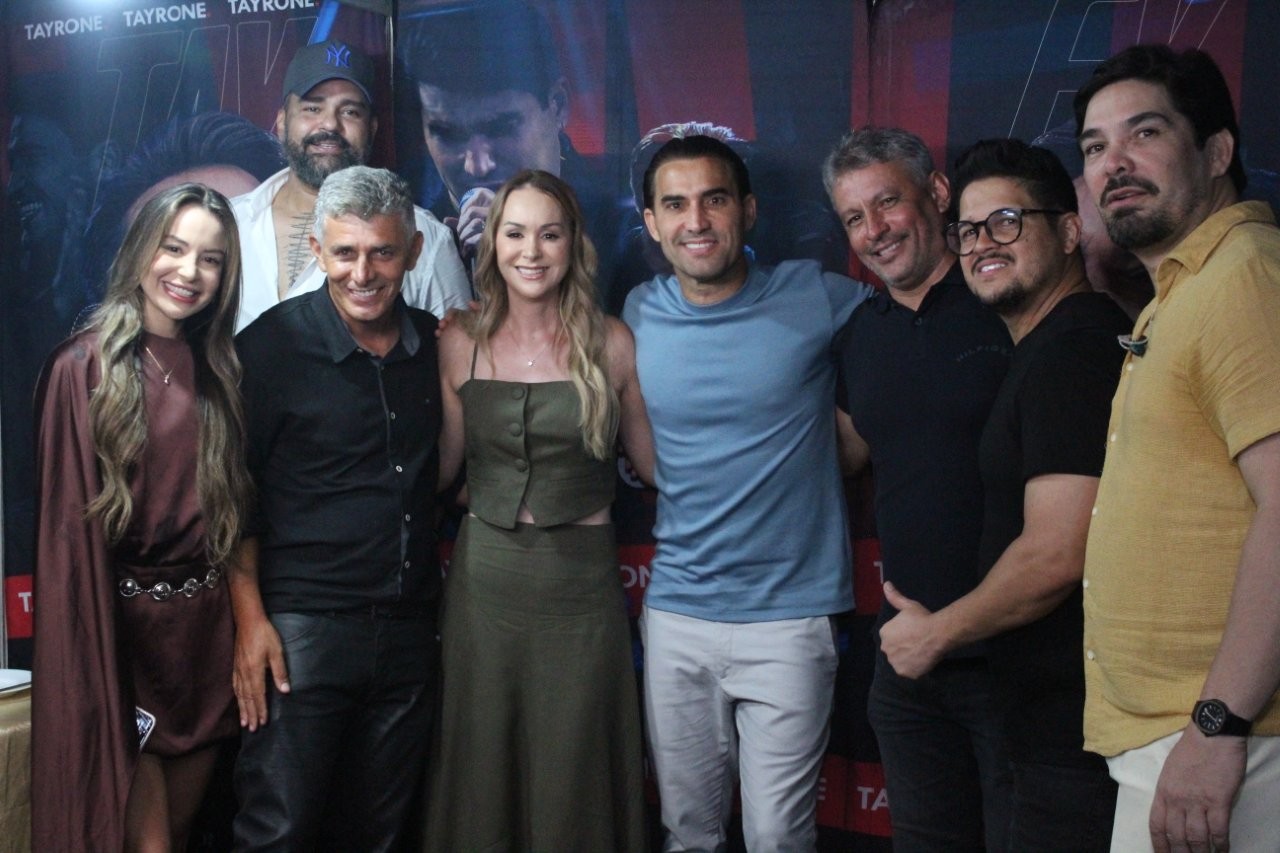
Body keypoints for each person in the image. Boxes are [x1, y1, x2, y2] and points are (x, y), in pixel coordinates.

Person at [877, 138, 1129, 849]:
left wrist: (938, 632)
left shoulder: (1073, 351)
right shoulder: (1047, 345)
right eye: (968, 229)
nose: (983, 243)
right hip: (1044, 718)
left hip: (1069, 735)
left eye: (1007, 222)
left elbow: (1057, 552)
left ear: (1070, 230)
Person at [623, 135, 872, 850]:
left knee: (778, 837)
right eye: (676, 204)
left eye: (714, 199)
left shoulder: (815, 294)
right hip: (677, 614)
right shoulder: (636, 313)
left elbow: (914, 333)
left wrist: (852, 439)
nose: (696, 220)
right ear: (652, 223)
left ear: (749, 210)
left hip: (790, 620)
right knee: (688, 833)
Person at [1075, 44, 1280, 853]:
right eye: (1095, 146)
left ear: (1218, 151)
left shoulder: (1243, 277)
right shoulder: (1184, 289)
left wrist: (1219, 722)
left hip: (1227, 739)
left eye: (1145, 132)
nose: (1114, 162)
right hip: (1183, 738)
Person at [425, 169, 653, 850]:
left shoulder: (612, 341)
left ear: (573, 244)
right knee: (482, 759)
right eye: (516, 233)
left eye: (549, 234)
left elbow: (654, 468)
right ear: (491, 243)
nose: (531, 251)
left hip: (580, 590)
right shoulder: (459, 340)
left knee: (576, 764)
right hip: (485, 586)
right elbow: (442, 472)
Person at [31, 183, 252, 851]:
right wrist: (90, 664)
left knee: (179, 836)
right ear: (140, 249)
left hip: (202, 644)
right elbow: (67, 545)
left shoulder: (221, 370)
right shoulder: (82, 367)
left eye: (210, 259)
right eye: (173, 248)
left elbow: (237, 517)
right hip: (121, 645)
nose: (189, 271)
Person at [230, 166, 442, 850]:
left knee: (382, 837)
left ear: (413, 252)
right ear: (318, 251)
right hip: (303, 632)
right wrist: (251, 623)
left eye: (382, 252)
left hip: (410, 631)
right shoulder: (267, 349)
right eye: (345, 252)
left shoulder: (438, 345)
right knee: (280, 832)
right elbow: (233, 499)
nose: (363, 273)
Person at [823, 126, 1014, 851]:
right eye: (853, 217)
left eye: (886, 203)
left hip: (1016, 657)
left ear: (936, 193)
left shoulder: (1008, 300)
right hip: (906, 661)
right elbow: (848, 454)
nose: (873, 231)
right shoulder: (858, 336)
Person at [232, 39, 468, 331]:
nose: (330, 125)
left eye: (350, 112)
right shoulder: (228, 222)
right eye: (312, 108)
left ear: (372, 128)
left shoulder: (425, 236)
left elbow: (458, 350)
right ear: (281, 122)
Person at [399, 1, 615, 277]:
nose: (477, 167)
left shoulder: (618, 231)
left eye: (501, 128)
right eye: (448, 134)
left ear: (558, 106)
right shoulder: (402, 222)